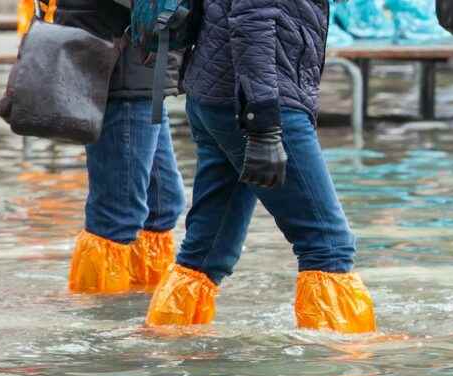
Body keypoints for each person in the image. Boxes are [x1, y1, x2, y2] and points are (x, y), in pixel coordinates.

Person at [144, 0, 376, 333]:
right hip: (258, 100)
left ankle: (167, 340)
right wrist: (264, 124)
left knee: (208, 250)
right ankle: (340, 366)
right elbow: (252, 21)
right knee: (327, 245)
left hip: (216, 96)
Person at [39, 0, 186, 295]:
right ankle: (101, 318)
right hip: (118, 68)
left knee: (162, 207)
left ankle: (146, 305)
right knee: (118, 216)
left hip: (145, 74)